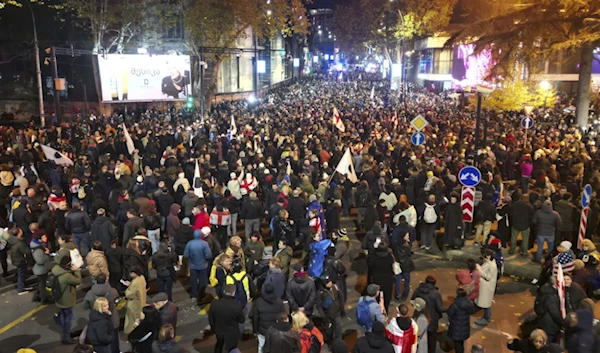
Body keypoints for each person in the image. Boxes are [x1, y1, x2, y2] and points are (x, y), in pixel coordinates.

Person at [83, 273, 120, 353]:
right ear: (106, 279)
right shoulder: (112, 291)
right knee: (114, 340)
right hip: (112, 318)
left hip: (98, 318)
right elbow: (117, 300)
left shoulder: (90, 293)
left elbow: (84, 306)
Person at [51, 256, 82, 345]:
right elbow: (78, 281)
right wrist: (76, 270)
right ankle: (66, 337)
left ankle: (62, 324)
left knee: (64, 315)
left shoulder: (55, 270)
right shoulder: (67, 276)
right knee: (70, 317)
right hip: (67, 299)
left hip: (58, 297)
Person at [411, 276, 445, 353]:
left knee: (419, 334)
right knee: (432, 337)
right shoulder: (435, 294)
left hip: (419, 315)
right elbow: (440, 308)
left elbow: (413, 300)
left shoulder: (418, 290)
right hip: (431, 317)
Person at [208, 284, 246, 353]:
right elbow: (241, 320)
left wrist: (213, 328)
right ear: (233, 293)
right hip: (232, 333)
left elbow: (211, 319)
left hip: (219, 331)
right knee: (232, 348)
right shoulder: (236, 306)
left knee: (219, 345)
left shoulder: (214, 303)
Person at [251, 283, 286, 353]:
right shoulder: (279, 301)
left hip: (262, 330)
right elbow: (283, 316)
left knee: (261, 346)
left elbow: (255, 318)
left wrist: (255, 330)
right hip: (275, 330)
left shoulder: (258, 301)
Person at [183, 228, 212, 302]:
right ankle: (201, 295)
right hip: (203, 265)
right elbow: (208, 255)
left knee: (193, 281)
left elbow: (186, 255)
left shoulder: (190, 243)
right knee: (203, 281)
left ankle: (194, 295)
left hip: (193, 265)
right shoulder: (204, 244)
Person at [316, 274, 346, 342]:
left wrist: (342, 309)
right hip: (327, 315)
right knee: (329, 331)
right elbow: (319, 305)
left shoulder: (335, 287)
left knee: (338, 330)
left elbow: (341, 298)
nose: (330, 283)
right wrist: (323, 317)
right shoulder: (320, 293)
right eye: (327, 282)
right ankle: (330, 343)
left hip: (337, 313)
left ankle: (339, 343)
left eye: (330, 281)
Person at [447, 287, 476, 353]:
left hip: (455, 327)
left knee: (457, 344)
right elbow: (472, 311)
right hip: (464, 326)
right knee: (461, 342)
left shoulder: (454, 304)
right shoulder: (469, 303)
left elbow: (449, 312)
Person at [475, 249, 498, 326]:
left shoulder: (492, 265)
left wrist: (479, 269)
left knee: (486, 305)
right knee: (485, 303)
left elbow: (488, 277)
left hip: (487, 288)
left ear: (488, 256)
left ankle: (487, 318)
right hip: (484, 287)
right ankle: (486, 317)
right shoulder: (489, 262)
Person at [123, 267, 147, 335]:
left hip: (134, 303)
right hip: (142, 300)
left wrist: (128, 287)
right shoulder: (141, 277)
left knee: (133, 319)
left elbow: (129, 294)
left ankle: (133, 333)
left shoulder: (135, 282)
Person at [7, 227, 32, 294]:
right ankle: (20, 289)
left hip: (16, 259)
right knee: (21, 274)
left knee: (21, 273)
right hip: (20, 260)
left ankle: (23, 286)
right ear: (19, 233)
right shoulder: (20, 243)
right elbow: (26, 251)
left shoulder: (13, 241)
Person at [393, 233, 414, 302]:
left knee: (398, 280)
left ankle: (397, 294)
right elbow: (410, 253)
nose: (408, 237)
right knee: (407, 280)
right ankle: (405, 295)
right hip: (406, 265)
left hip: (399, 265)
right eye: (407, 236)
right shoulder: (406, 246)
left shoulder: (396, 244)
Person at [30, 232, 51, 302]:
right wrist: (46, 254)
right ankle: (44, 299)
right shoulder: (38, 249)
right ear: (39, 239)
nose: (46, 238)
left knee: (41, 283)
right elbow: (40, 261)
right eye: (44, 237)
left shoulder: (39, 246)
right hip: (41, 270)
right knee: (42, 285)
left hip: (41, 269)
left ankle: (36, 296)